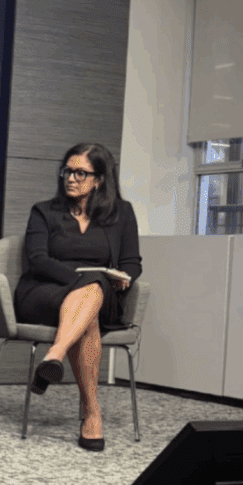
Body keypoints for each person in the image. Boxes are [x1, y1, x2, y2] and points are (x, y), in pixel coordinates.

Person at [14, 143, 141, 451]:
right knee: (89, 306)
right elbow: (38, 259)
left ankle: (55, 355)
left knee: (93, 295)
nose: (70, 178)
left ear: (99, 179)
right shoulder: (44, 211)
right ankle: (92, 414)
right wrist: (81, 280)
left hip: (100, 294)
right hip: (45, 291)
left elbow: (131, 263)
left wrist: (124, 278)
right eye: (67, 171)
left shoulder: (121, 213)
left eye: (80, 173)